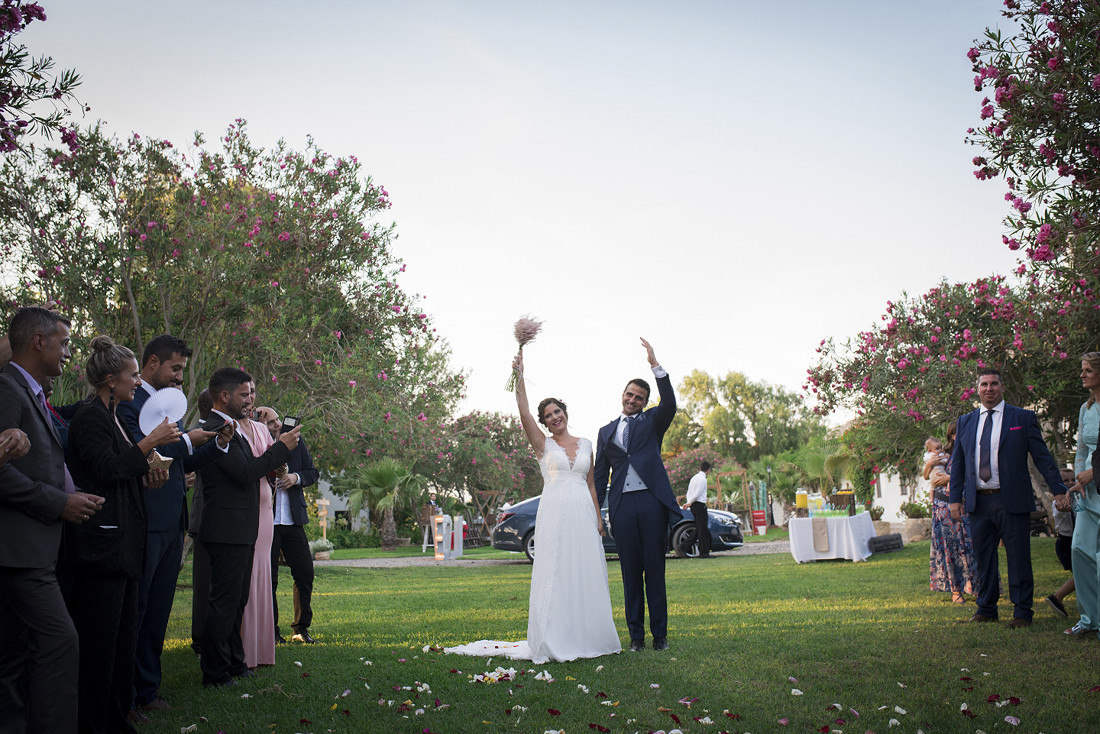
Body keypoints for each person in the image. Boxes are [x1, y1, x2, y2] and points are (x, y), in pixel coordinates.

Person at [445, 351, 619, 663]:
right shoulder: (542, 444)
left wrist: (598, 518)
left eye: (558, 411)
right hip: (554, 513)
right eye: (549, 415)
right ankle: (554, 637)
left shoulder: (587, 445)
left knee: (585, 569)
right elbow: (524, 411)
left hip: (583, 511)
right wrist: (520, 376)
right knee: (557, 570)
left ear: (566, 412)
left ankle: (589, 635)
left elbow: (592, 483)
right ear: (545, 422)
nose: (555, 417)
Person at [63, 336, 187, 734]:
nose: (138, 382)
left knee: (120, 641)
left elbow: (125, 471)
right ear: (110, 379)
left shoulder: (114, 414)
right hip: (102, 546)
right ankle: (93, 721)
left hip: (125, 543)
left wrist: (147, 478)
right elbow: (105, 469)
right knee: (99, 643)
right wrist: (150, 444)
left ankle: (117, 718)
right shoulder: (89, 416)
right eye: (133, 376)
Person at [0, 307, 102, 734]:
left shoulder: (32, 392)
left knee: (12, 655)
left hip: (33, 546)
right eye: (63, 343)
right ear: (38, 341)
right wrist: (58, 502)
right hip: (17, 549)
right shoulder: (6, 389)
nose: (68, 352)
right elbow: (1, 470)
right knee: (61, 642)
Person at [115, 334, 224, 715]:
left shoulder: (167, 406)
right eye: (175, 369)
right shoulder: (130, 402)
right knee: (137, 609)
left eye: (183, 370)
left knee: (158, 610)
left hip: (171, 522)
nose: (180, 377)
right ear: (153, 363)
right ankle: (124, 696)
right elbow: (147, 450)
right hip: (143, 520)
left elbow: (178, 459)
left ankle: (147, 689)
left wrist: (213, 444)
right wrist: (188, 441)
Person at [198, 369, 298, 688]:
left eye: (252, 393)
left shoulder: (234, 428)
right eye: (244, 394)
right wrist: (280, 448)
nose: (251, 399)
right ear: (224, 396)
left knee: (238, 600)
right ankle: (214, 672)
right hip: (225, 528)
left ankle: (236, 663)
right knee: (224, 603)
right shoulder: (214, 428)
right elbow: (244, 472)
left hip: (243, 528)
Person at [949, 367, 1068, 628]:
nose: (989, 389)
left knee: (1019, 558)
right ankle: (986, 609)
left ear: (1002, 387)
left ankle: (1022, 613)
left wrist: (1059, 489)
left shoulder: (1022, 418)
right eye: (984, 385)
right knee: (983, 558)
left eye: (994, 384)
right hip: (978, 502)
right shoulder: (966, 422)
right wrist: (954, 498)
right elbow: (958, 463)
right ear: (977, 389)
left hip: (1011, 500)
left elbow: (1042, 457)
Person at [594, 337, 680, 652]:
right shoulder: (605, 432)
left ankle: (660, 637)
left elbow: (669, 402)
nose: (633, 400)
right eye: (630, 394)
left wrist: (655, 366)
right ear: (623, 395)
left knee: (654, 570)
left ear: (645, 403)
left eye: (639, 397)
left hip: (651, 503)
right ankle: (636, 638)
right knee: (630, 574)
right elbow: (600, 475)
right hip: (622, 507)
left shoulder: (653, 422)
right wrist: (599, 512)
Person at [255, 406, 319, 645]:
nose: (278, 426)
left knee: (305, 572)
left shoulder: (296, 442)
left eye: (278, 420)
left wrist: (296, 478)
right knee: (268, 579)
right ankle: (270, 631)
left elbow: (313, 472)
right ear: (262, 425)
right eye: (272, 423)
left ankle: (301, 628)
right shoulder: (255, 443)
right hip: (265, 521)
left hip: (293, 520)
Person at [1055, 352, 1100, 636]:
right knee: (1079, 550)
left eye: (1087, 370)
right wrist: (1079, 481)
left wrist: (1093, 473)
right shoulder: (1086, 409)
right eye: (1081, 370)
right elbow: (1082, 449)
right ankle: (1088, 620)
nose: (1082, 375)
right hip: (1088, 493)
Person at [924, 422, 979, 604]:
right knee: (950, 548)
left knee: (972, 547)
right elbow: (928, 476)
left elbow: (972, 475)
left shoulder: (975, 450)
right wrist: (931, 465)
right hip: (943, 506)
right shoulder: (942, 453)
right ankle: (955, 589)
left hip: (967, 506)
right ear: (952, 435)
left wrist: (951, 478)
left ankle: (976, 586)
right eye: (956, 434)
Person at [188, 388, 215, 656]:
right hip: (205, 515)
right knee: (204, 583)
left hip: (225, 518)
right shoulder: (199, 434)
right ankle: (199, 640)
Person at [1045, 468, 1077, 620]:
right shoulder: (1057, 503)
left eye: (1073, 480)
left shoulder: (1080, 497)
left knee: (1086, 575)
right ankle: (1056, 597)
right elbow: (1061, 511)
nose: (1070, 483)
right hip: (1066, 543)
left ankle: (1057, 598)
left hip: (1078, 540)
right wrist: (1062, 507)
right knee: (1083, 576)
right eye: (1066, 481)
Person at [683, 461, 712, 558]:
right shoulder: (702, 479)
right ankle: (703, 552)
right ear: (708, 470)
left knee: (699, 528)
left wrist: (689, 501)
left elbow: (689, 491)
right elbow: (698, 493)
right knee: (702, 529)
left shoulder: (694, 478)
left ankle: (684, 545)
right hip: (699, 505)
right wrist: (689, 502)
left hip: (694, 506)